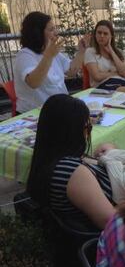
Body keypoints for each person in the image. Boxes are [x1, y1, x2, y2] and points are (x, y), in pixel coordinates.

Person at [26, 94, 115, 232]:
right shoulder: (74, 173)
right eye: (87, 128)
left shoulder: (47, 160)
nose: (88, 134)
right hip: (116, 235)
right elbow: (109, 221)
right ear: (71, 132)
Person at [14, 11, 90, 113]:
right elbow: (34, 82)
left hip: (58, 110)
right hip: (35, 115)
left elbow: (71, 71)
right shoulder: (24, 55)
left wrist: (81, 51)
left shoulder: (51, 52)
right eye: (51, 29)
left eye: (55, 28)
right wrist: (49, 56)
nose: (56, 33)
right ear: (37, 33)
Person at [84, 20, 125, 90]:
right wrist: (115, 74)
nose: (102, 36)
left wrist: (111, 52)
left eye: (105, 34)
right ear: (95, 34)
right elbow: (97, 76)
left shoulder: (118, 52)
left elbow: (124, 73)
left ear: (111, 37)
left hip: (122, 83)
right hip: (102, 87)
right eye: (99, 33)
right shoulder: (90, 52)